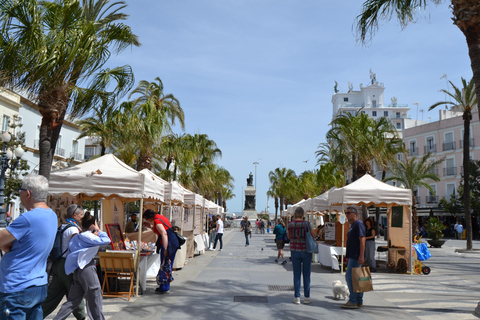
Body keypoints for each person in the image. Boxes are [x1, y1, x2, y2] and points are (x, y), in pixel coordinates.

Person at [0, 174, 57, 319]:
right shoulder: (52, 215)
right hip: (38, 284)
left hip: (17, 285)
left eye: (20, 190)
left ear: (28, 193)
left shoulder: (28, 218)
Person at [53, 212, 111, 320]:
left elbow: (71, 250)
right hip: (87, 268)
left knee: (72, 301)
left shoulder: (78, 237)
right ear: (92, 225)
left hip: (77, 270)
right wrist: (99, 230)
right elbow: (107, 240)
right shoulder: (89, 236)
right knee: (95, 296)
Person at [42, 204, 87, 319]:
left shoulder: (62, 226)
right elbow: (77, 247)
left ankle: (37, 315)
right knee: (75, 293)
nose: (82, 217)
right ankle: (82, 317)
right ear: (75, 215)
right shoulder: (73, 229)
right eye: (81, 215)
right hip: (67, 265)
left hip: (57, 264)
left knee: (53, 295)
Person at [143, 209, 180, 294]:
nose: (146, 220)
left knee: (165, 264)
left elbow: (164, 233)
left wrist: (166, 248)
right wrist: (150, 226)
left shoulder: (156, 220)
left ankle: (164, 287)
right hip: (172, 242)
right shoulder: (160, 217)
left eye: (146, 218)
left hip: (169, 243)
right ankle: (164, 286)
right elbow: (160, 231)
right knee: (166, 264)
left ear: (149, 217)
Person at [287, 207, 317, 305]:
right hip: (306, 251)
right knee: (306, 274)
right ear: (303, 214)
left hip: (295, 250)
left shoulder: (290, 224)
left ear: (295, 214)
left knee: (296, 274)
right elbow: (313, 235)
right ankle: (307, 297)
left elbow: (288, 237)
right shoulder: (307, 224)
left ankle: (297, 297)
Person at [341, 207, 366, 309]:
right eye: (346, 213)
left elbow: (362, 239)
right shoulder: (352, 225)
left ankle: (353, 300)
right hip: (353, 255)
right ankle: (358, 300)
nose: (346, 214)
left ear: (354, 214)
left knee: (350, 277)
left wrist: (361, 255)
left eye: (348, 213)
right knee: (358, 278)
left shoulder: (358, 224)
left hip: (356, 256)